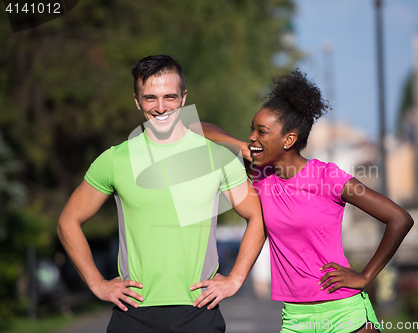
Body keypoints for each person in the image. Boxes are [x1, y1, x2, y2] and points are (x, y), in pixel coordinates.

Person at [190, 69, 414, 333]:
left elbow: (399, 218)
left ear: (288, 140)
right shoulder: (263, 175)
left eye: (262, 132)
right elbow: (196, 128)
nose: (253, 137)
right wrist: (241, 146)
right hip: (295, 318)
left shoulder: (328, 177)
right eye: (253, 130)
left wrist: (365, 276)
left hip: (344, 314)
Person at [57, 55, 265, 333]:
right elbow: (67, 222)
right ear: (136, 100)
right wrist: (97, 283)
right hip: (133, 314)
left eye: (169, 96)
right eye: (150, 98)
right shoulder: (115, 159)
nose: (160, 107)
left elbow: (258, 217)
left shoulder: (218, 157)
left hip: (199, 312)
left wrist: (235, 280)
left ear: (183, 97)